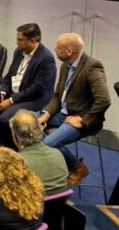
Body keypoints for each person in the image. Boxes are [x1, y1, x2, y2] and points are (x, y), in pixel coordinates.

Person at [39, 33, 111, 186]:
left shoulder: (92, 67)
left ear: (69, 51)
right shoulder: (66, 65)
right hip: (62, 114)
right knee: (24, 125)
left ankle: (77, 167)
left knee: (46, 144)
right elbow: (57, 96)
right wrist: (45, 115)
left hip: (82, 121)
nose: (54, 49)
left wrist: (84, 120)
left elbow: (104, 100)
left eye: (58, 47)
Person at [0, 23, 56, 150]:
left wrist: (12, 100)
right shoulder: (19, 51)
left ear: (32, 41)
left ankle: (11, 148)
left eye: (20, 40)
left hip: (33, 99)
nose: (17, 42)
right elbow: (9, 76)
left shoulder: (46, 59)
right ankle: (3, 140)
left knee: (5, 118)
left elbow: (37, 88)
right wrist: (2, 92)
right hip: (13, 93)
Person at [8, 110, 69, 195]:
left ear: (15, 137)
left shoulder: (16, 163)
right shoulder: (58, 154)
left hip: (33, 203)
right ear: (40, 130)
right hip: (60, 203)